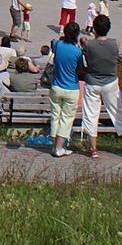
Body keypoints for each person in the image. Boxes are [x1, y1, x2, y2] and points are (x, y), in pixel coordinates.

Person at [80, 14, 122, 156]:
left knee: (91, 114)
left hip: (92, 81)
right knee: (117, 113)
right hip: (110, 82)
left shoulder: (89, 44)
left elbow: (85, 48)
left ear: (94, 28)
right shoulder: (115, 43)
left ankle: (92, 147)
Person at [47, 22, 84, 158]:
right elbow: (80, 67)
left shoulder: (58, 45)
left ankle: (54, 145)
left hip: (56, 85)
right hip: (71, 87)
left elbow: (52, 42)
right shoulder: (77, 51)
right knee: (66, 118)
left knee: (55, 115)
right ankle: (59, 147)